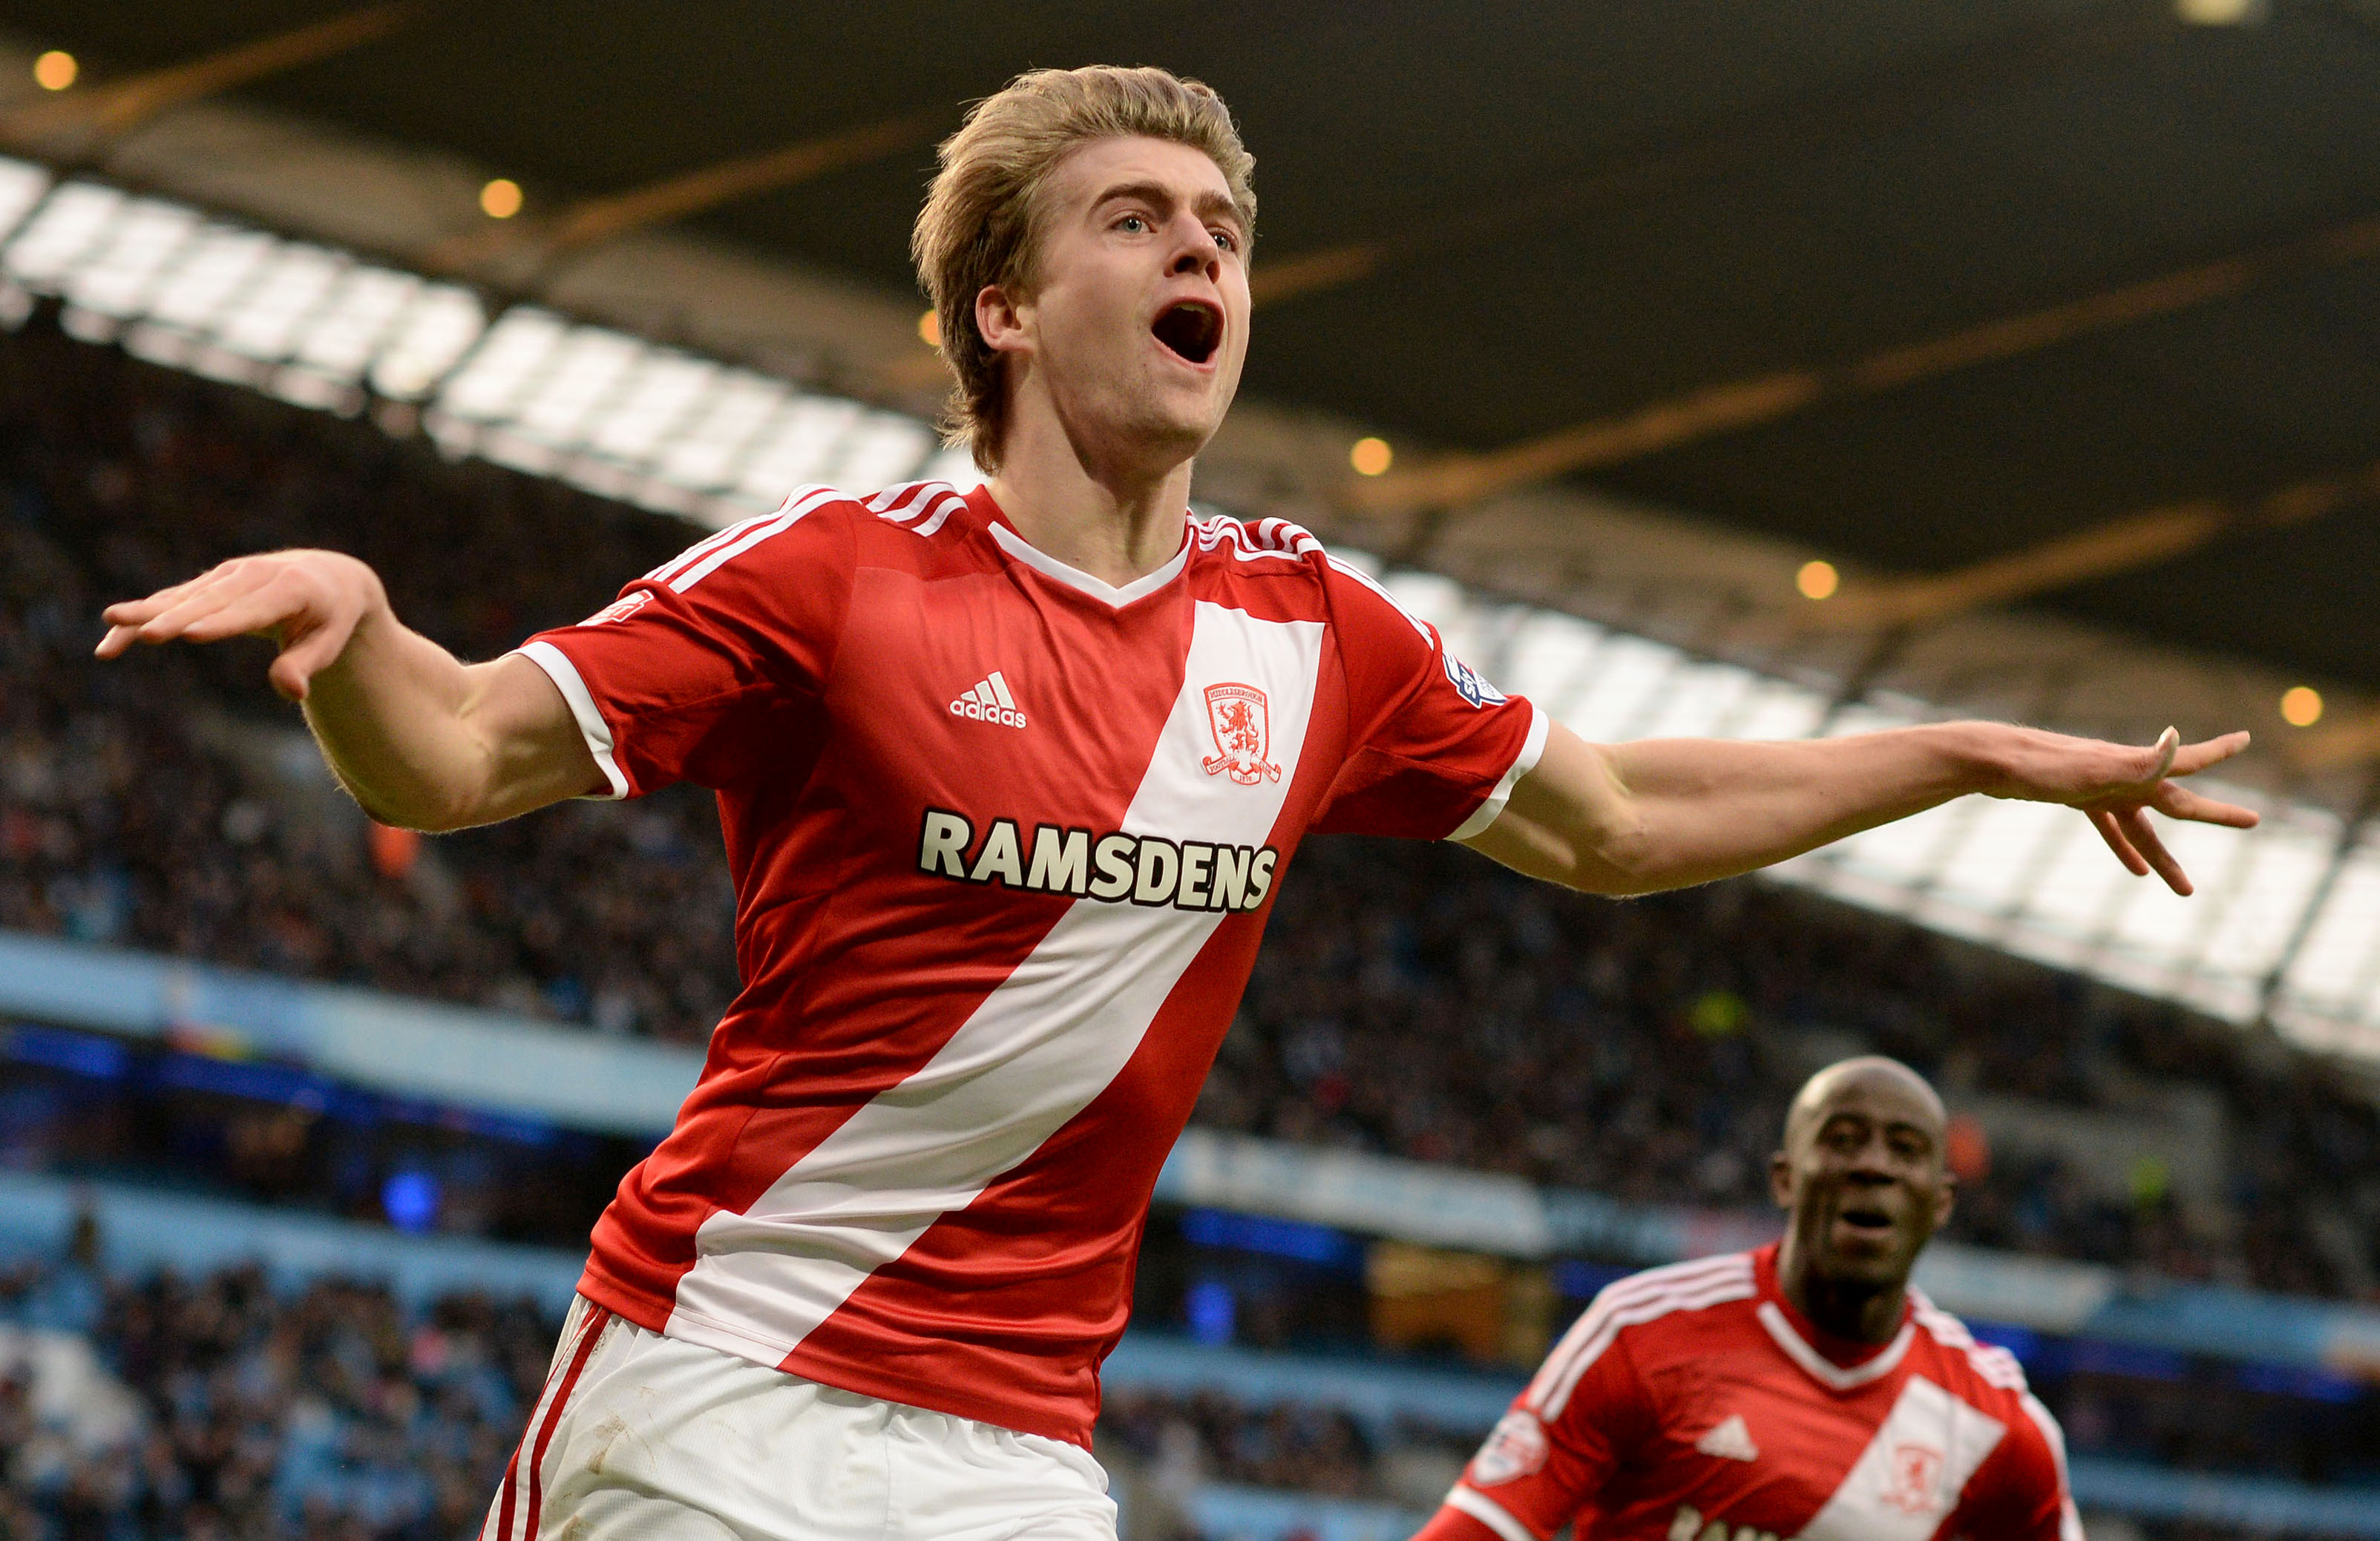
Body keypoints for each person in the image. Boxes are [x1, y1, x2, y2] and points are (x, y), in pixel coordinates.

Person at [96, 65, 2243, 1541]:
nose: (1198, 247)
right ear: (1005, 307)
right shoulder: (832, 573)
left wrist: (1961, 751)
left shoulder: (1317, 637)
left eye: (1220, 223)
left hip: (1015, 1449)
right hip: (712, 1380)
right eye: (1135, 216)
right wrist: (362, 626)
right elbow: (459, 751)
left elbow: (1613, 814)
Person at [1414, 1057, 2079, 1541]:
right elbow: (1481, 1526)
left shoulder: (1996, 1422)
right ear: (1785, 1179)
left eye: (1904, 1150)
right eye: (1842, 1139)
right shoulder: (1643, 1332)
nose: (1873, 1165)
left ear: (1939, 1203)